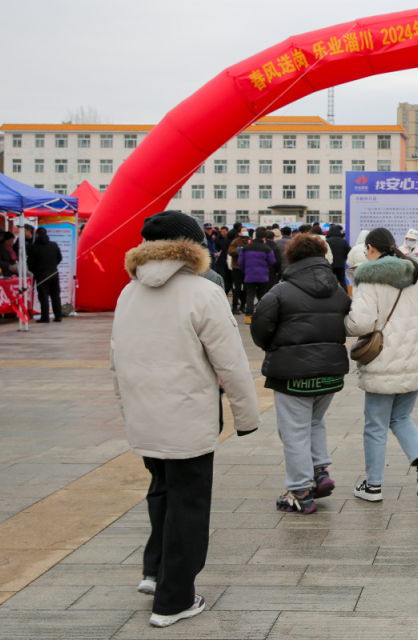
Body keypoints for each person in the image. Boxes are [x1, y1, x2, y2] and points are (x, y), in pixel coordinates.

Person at [110, 211, 260, 628]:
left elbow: (116, 360)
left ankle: (154, 571)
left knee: (161, 490)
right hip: (189, 420)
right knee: (189, 503)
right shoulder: (203, 293)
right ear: (193, 246)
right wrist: (246, 418)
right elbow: (230, 364)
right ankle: (173, 600)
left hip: (144, 418)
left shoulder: (128, 293)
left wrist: (128, 408)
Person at [250, 233, 351, 514]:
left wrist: (275, 347)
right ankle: (319, 469)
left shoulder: (281, 291)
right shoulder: (339, 290)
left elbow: (260, 328)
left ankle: (300, 490)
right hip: (330, 372)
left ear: (291, 257)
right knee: (315, 422)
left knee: (293, 430)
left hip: (292, 374)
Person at [345, 228, 418, 502]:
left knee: (375, 424)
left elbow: (360, 323)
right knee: (401, 417)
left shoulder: (367, 277)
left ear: (371, 248)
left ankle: (373, 486)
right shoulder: (414, 273)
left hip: (383, 359)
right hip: (415, 357)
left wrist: (343, 324)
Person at [238, 227, 276, 324]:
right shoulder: (267, 248)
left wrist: (245, 270)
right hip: (263, 276)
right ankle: (261, 315)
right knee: (262, 296)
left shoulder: (246, 248)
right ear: (264, 238)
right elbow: (272, 261)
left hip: (249, 275)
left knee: (250, 295)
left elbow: (240, 262)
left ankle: (249, 317)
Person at [28, 227, 63, 322]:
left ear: (37, 235)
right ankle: (58, 316)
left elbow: (30, 264)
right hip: (53, 273)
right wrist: (53, 266)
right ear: (46, 234)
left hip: (41, 274)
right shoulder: (53, 245)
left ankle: (45, 317)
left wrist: (35, 271)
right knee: (55, 295)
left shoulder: (34, 247)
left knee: (43, 296)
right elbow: (60, 258)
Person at [227, 226, 249, 314]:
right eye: (243, 231)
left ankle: (243, 305)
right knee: (237, 288)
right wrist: (238, 250)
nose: (245, 233)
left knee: (246, 288)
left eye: (246, 231)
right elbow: (230, 251)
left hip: (247, 267)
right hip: (237, 267)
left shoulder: (250, 240)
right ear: (239, 233)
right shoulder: (235, 241)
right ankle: (234, 306)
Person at [324, 224, 351, 290]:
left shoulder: (327, 241)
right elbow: (349, 252)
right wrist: (343, 257)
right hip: (340, 264)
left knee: (330, 281)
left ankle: (332, 295)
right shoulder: (343, 241)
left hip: (330, 264)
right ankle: (345, 295)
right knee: (342, 280)